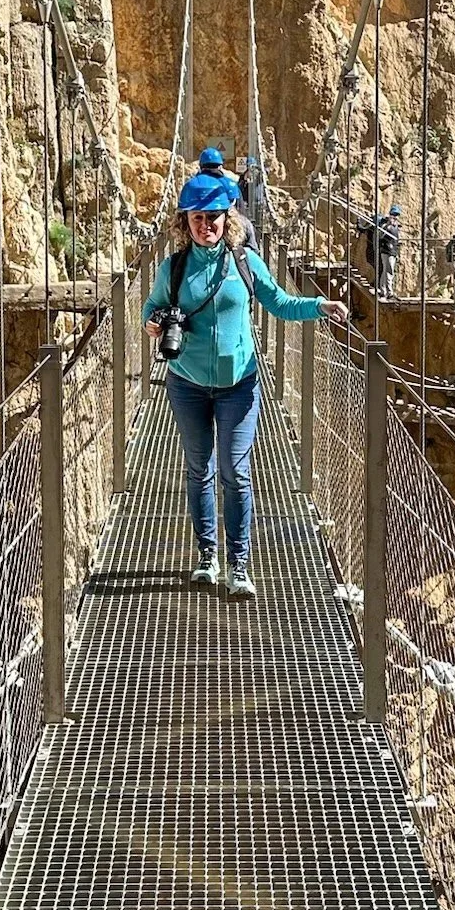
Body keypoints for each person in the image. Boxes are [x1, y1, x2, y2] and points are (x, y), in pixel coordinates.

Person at [143, 174, 347, 597]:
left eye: (213, 217)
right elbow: (151, 308)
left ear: (227, 217)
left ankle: (239, 564)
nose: (206, 226)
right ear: (186, 222)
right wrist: (151, 323)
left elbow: (278, 302)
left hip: (240, 383)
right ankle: (207, 556)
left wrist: (320, 306)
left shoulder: (245, 261)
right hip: (187, 383)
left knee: (234, 471)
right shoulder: (174, 268)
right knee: (199, 470)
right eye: (197, 218)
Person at [195, 145, 257, 250]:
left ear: (201, 166)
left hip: (202, 230)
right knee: (248, 226)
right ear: (220, 166)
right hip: (231, 228)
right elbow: (240, 209)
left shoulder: (193, 185)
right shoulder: (230, 185)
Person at [361, 205, 402, 297]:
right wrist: (388, 225)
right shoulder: (385, 225)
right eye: (393, 214)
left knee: (386, 271)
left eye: (397, 215)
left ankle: (383, 290)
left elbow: (395, 239)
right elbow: (381, 235)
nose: (395, 217)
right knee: (389, 271)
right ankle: (389, 291)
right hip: (387, 251)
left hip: (392, 251)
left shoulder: (396, 226)